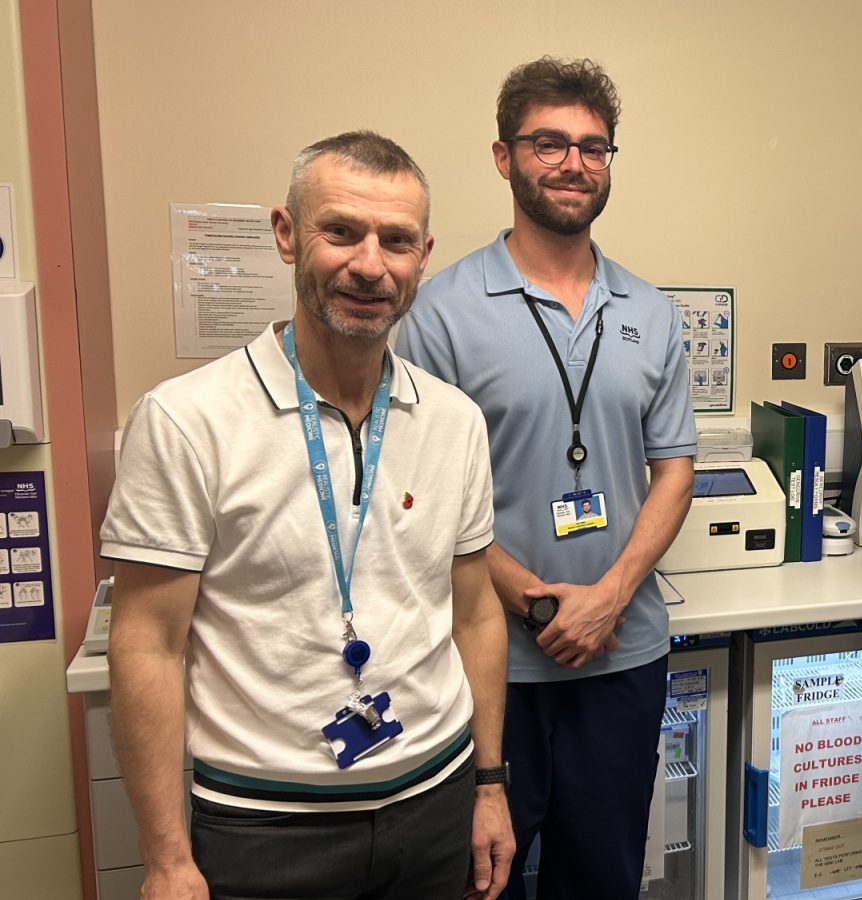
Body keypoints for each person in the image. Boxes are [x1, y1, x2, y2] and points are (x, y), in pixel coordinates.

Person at [102, 131, 514, 899]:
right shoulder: (188, 420)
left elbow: (476, 616)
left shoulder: (455, 420)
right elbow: (148, 645)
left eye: (395, 240)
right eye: (341, 231)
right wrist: (165, 858)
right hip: (265, 828)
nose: (369, 264)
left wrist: (489, 784)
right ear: (287, 234)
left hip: (437, 801)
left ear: (422, 257)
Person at [396, 57, 695, 900]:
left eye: (593, 148)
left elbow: (674, 468)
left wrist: (606, 597)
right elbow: (419, 496)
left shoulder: (649, 311)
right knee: (480, 878)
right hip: (490, 662)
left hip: (621, 653)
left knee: (601, 876)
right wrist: (532, 600)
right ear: (504, 157)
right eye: (550, 143)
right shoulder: (440, 312)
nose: (573, 164)